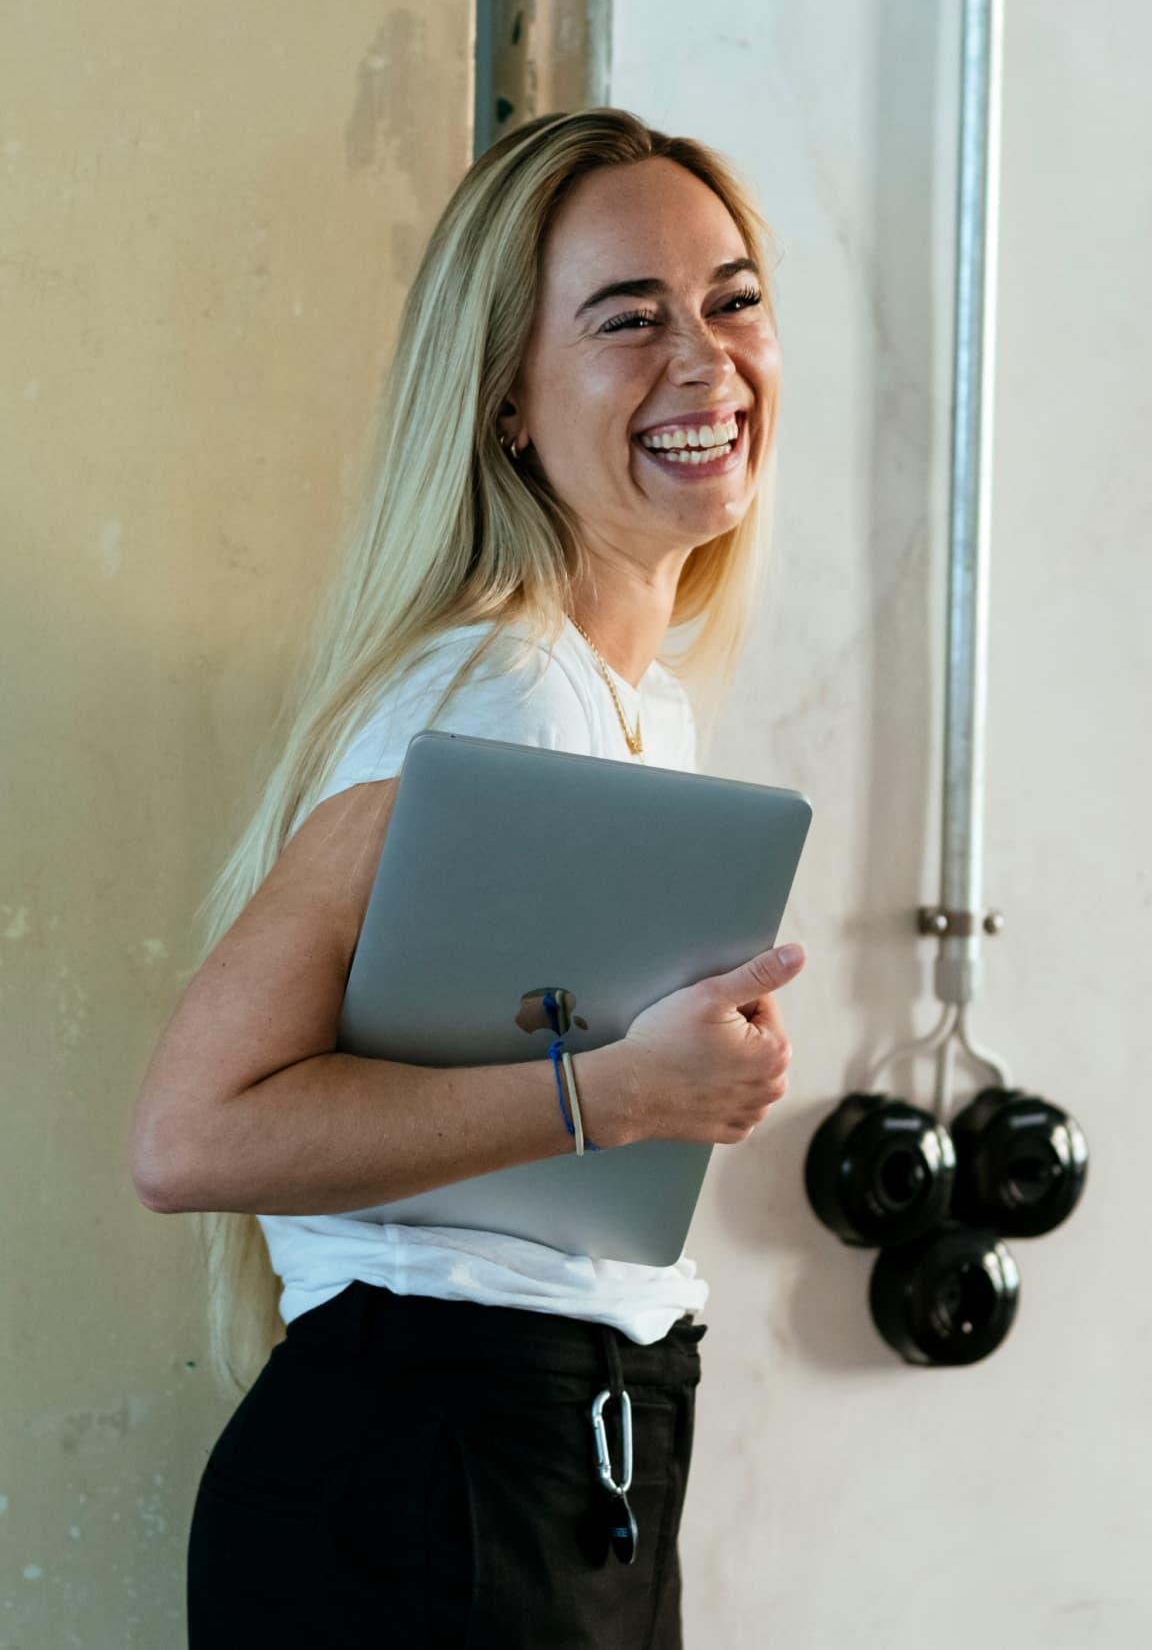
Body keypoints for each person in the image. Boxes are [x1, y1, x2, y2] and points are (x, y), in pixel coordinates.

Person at [128, 106, 807, 1649]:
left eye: (733, 298)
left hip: (563, 1466)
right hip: (433, 1489)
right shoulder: (490, 694)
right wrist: (618, 1096)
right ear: (506, 403)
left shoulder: (640, 705)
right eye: (628, 320)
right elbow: (188, 1134)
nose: (703, 362)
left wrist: (659, 1085)